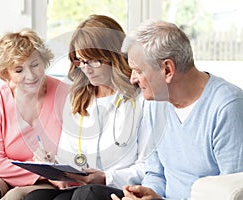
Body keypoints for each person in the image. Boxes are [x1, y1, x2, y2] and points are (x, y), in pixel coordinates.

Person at [70, 20, 243, 200]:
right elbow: (155, 172)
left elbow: (232, 194)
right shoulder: (156, 103)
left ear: (167, 70)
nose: (132, 79)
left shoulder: (227, 107)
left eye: (138, 71)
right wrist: (143, 195)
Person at [24, 14, 149, 200]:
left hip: (119, 187)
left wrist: (106, 177)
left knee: (87, 194)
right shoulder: (79, 98)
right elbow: (70, 157)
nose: (86, 69)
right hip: (82, 188)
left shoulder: (141, 99)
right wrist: (55, 167)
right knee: (36, 198)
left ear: (113, 56)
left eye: (94, 61)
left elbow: (149, 165)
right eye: (80, 61)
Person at [0, 28, 70, 200]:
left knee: (15, 197)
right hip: (13, 176)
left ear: (44, 62)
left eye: (35, 65)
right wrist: (40, 173)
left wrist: (52, 173)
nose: (30, 75)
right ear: (5, 74)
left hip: (51, 182)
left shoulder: (65, 94)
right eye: (18, 70)